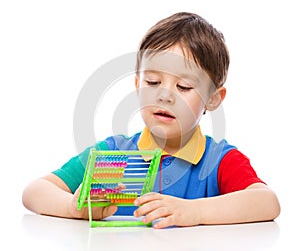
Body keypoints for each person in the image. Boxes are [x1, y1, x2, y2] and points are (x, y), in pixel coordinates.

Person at [22, 12, 280, 229]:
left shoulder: (219, 159)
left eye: (183, 86)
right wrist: (72, 207)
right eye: (152, 82)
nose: (164, 95)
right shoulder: (113, 153)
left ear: (213, 99)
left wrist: (195, 212)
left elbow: (267, 202)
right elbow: (34, 192)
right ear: (137, 84)